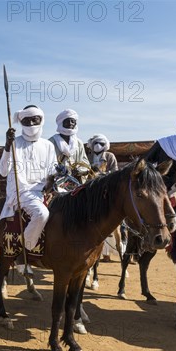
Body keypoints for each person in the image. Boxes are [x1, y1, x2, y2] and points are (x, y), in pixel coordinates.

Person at [0, 105, 58, 271]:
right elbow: (3, 171)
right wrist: (7, 146)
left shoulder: (48, 145)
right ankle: (23, 253)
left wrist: (54, 180)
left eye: (35, 119)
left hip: (44, 191)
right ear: (21, 121)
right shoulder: (14, 143)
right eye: (27, 120)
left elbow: (52, 171)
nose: (31, 123)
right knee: (42, 213)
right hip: (21, 191)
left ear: (41, 120)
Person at [87, 134, 119, 264]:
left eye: (100, 143)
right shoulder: (88, 156)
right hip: (90, 190)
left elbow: (115, 172)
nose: (97, 145)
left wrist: (102, 174)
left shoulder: (110, 156)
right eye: (95, 142)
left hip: (106, 190)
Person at [48, 109, 90, 182]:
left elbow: (86, 165)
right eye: (67, 121)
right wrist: (59, 170)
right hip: (56, 182)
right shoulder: (51, 142)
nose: (70, 123)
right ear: (61, 123)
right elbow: (46, 164)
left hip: (75, 182)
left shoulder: (79, 143)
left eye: (73, 121)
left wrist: (79, 170)